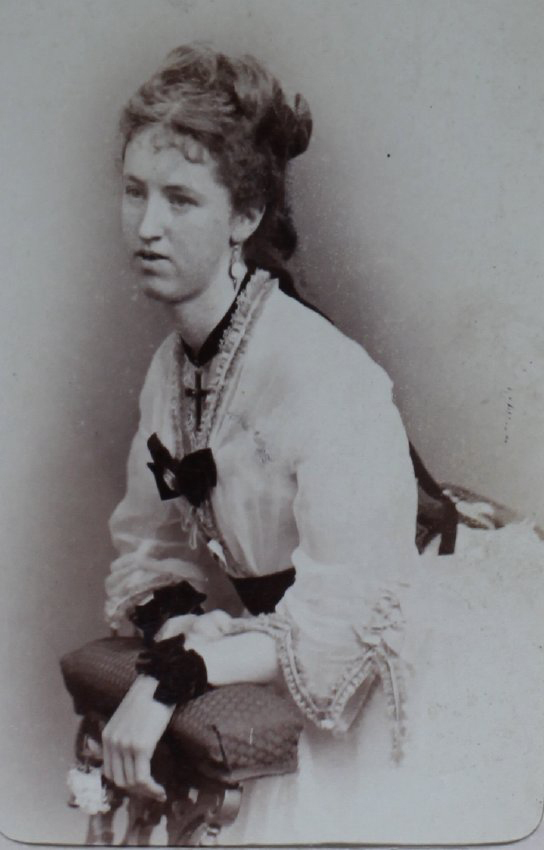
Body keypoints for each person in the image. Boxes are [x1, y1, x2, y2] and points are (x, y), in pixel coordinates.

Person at [101, 43, 544, 845]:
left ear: (245, 217)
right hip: (289, 632)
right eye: (134, 193)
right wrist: (179, 624)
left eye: (180, 199)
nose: (147, 225)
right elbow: (148, 539)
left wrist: (184, 672)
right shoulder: (170, 370)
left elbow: (347, 617)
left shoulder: (326, 378)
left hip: (402, 651)